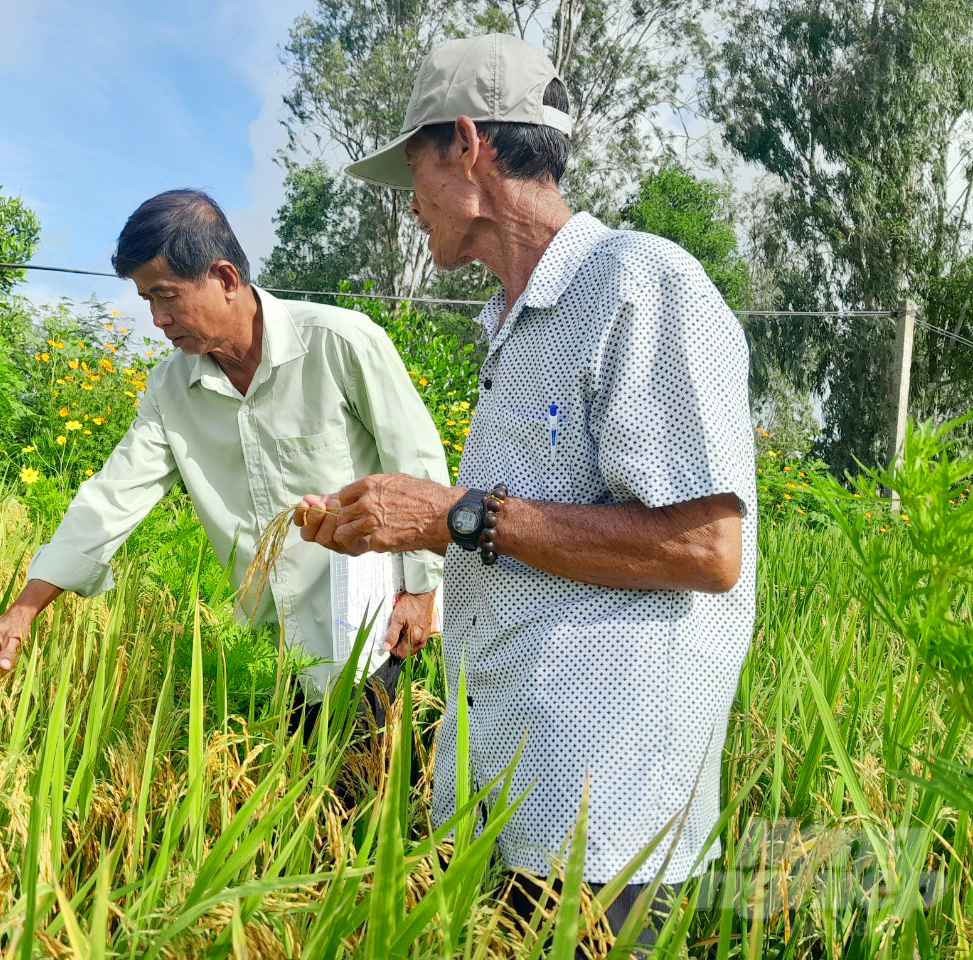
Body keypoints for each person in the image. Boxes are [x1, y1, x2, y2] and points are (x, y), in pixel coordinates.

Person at [295, 33, 756, 950]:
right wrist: (418, 522)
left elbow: (707, 550)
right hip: (508, 782)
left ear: (468, 146)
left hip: (605, 825)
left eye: (413, 169)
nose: (411, 205)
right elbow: (520, 530)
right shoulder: (509, 320)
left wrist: (453, 514)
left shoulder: (640, 283)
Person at [0, 189, 448, 729]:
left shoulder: (340, 344)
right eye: (147, 301)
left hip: (375, 637)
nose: (157, 319)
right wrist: (21, 612)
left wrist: (423, 592)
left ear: (226, 279)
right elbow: (113, 497)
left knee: (380, 795)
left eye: (166, 296)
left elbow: (416, 466)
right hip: (270, 657)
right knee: (291, 799)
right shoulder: (170, 389)